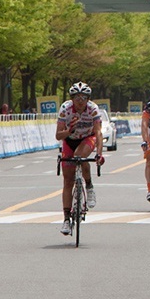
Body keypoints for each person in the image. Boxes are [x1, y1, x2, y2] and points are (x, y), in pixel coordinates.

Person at [56, 82, 102, 234]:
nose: (80, 101)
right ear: (72, 98)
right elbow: (58, 135)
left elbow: (99, 133)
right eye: (77, 97)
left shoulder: (93, 109)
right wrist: (69, 131)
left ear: (88, 99)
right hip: (69, 140)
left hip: (87, 138)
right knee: (68, 181)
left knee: (79, 157)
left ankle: (89, 186)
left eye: (84, 97)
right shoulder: (65, 109)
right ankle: (67, 219)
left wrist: (99, 153)